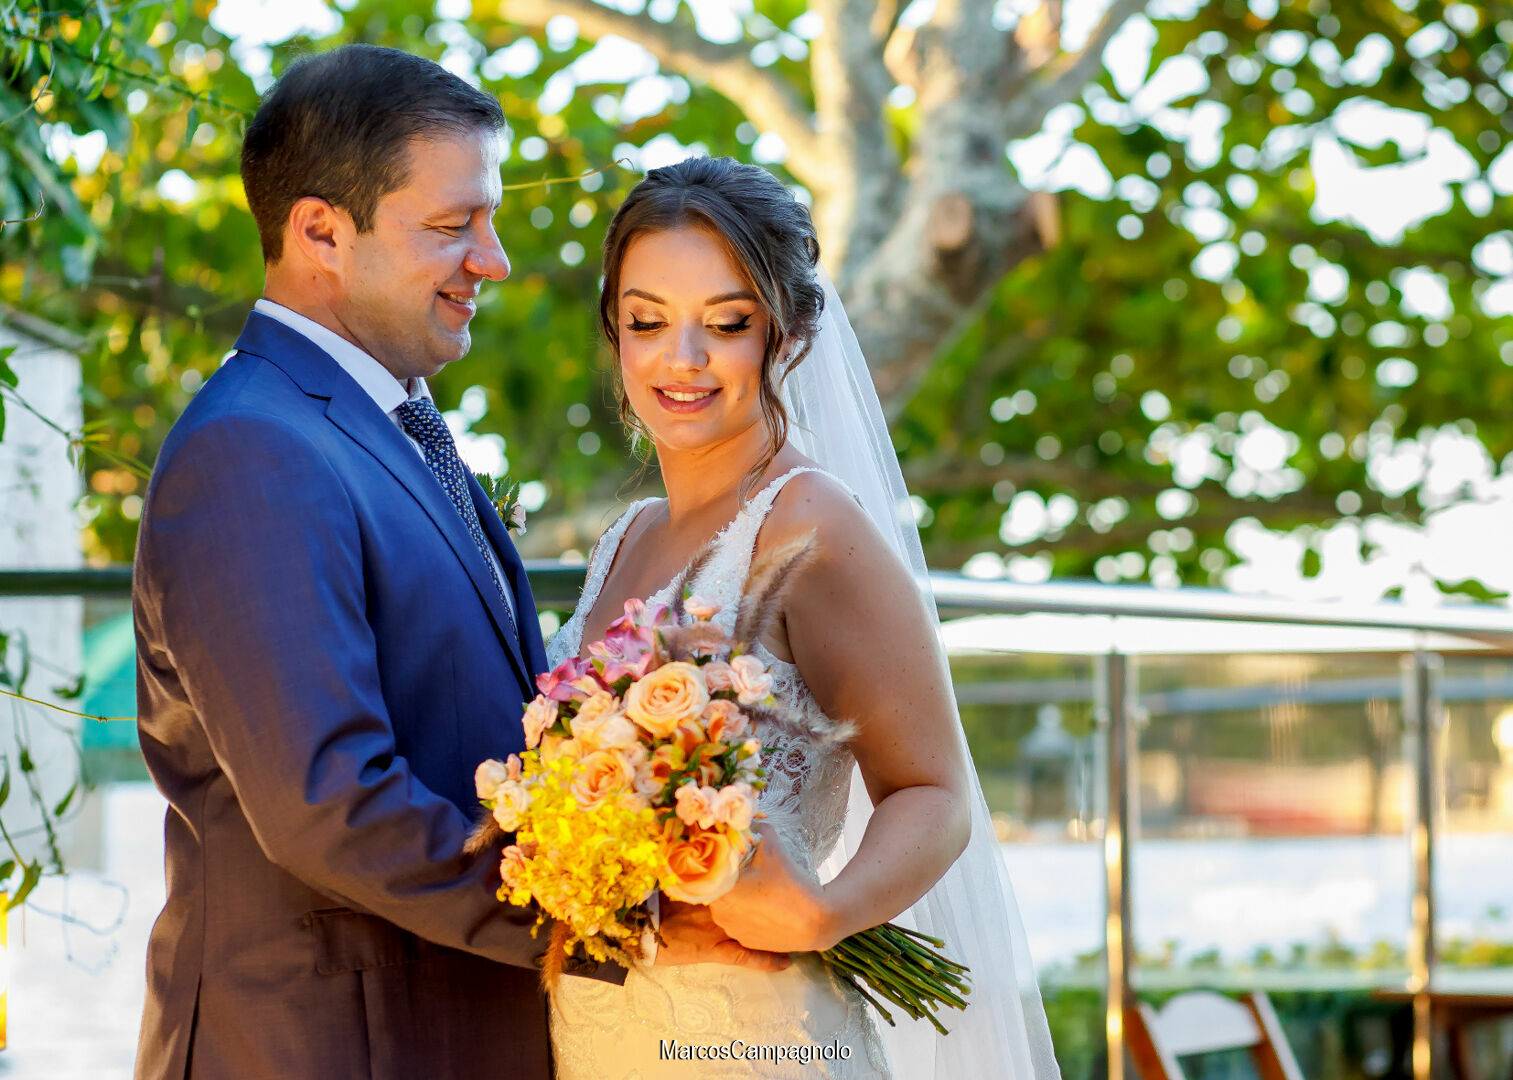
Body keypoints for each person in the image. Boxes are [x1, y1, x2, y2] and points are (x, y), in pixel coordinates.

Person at [132, 47, 776, 1080]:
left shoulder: (383, 427)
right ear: (319, 233)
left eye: (488, 219)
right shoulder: (251, 450)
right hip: (334, 1046)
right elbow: (330, 803)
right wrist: (604, 917)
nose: (494, 259)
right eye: (451, 226)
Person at [547, 156, 1062, 1078]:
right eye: (647, 321)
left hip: (750, 1038)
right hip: (597, 1032)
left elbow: (934, 793)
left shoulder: (809, 526)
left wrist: (823, 912)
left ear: (788, 334)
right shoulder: (626, 534)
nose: (682, 359)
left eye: (728, 324)